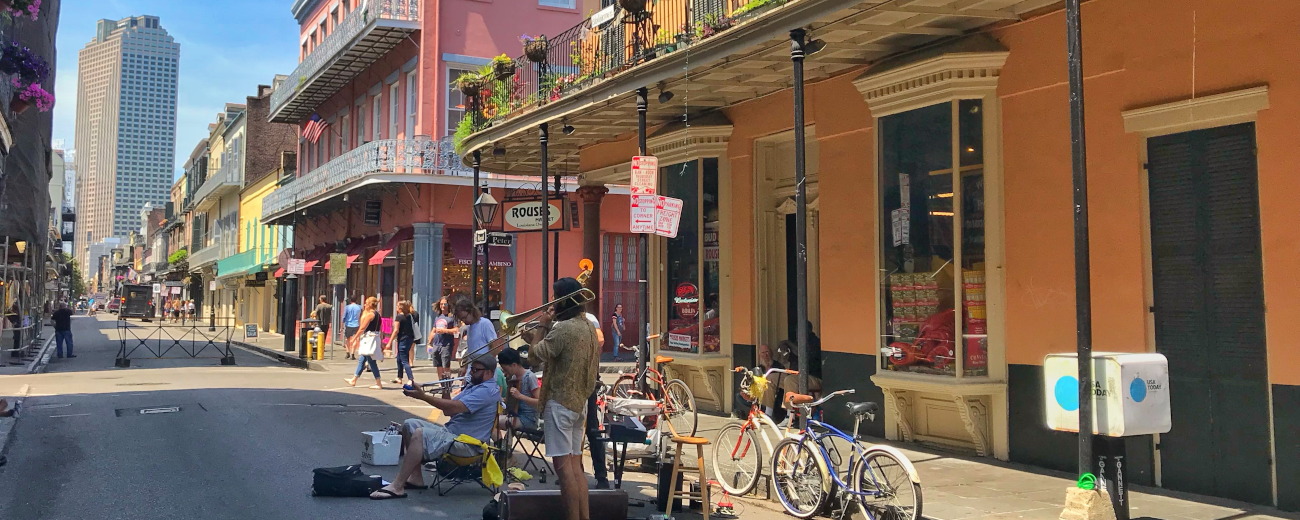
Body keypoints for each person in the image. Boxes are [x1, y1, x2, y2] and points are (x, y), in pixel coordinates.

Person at [369, 356, 502, 500]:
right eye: (472, 369)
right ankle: (415, 478)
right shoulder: (475, 386)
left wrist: (423, 397)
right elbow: (449, 412)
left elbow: (456, 407)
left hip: (469, 444)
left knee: (420, 434)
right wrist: (446, 390)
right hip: (453, 434)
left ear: (489, 373)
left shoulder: (487, 391)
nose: (471, 373)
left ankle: (397, 486)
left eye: (476, 370)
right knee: (410, 425)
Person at [524, 277, 600, 520]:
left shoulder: (562, 329)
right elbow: (555, 352)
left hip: (559, 403)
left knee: (563, 469)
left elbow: (534, 358)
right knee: (576, 467)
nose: (552, 303)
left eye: (555, 298)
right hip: (580, 403)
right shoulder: (587, 325)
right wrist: (539, 335)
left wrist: (541, 327)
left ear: (563, 301)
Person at [453, 296, 499, 378]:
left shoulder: (485, 323)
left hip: (484, 371)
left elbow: (494, 347)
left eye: (464, 317)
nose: (464, 320)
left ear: (471, 311)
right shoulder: (469, 328)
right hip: (473, 370)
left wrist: (488, 368)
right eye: (461, 319)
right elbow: (472, 350)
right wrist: (464, 366)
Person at [497, 347, 540, 434]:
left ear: (514, 365)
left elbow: (540, 402)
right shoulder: (514, 377)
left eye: (506, 370)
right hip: (514, 415)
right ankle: (504, 444)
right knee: (491, 417)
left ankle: (500, 443)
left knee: (495, 421)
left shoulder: (529, 377)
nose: (505, 373)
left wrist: (520, 396)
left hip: (528, 419)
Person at [345, 297, 384, 389]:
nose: (364, 305)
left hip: (369, 339)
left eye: (366, 303)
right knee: (362, 360)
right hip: (374, 337)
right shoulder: (377, 314)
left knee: (371, 361)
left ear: (370, 304)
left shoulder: (370, 315)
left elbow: (362, 328)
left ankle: (378, 383)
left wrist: (355, 338)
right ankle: (354, 379)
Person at [427, 297, 457, 397]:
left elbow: (456, 329)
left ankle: (447, 385)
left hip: (446, 344)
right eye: (441, 304)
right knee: (438, 365)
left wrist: (445, 331)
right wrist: (429, 341)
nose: (443, 306)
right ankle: (441, 385)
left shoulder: (452, 317)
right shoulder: (438, 317)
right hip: (436, 344)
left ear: (449, 305)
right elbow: (434, 330)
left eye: (445, 304)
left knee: (446, 366)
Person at [385, 300, 417, 388]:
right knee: (399, 358)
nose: (396, 308)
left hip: (403, 340)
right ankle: (399, 377)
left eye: (397, 306)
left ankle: (411, 379)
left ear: (400, 308)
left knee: (404, 360)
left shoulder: (399, 317)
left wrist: (389, 342)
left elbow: (396, 330)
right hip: (409, 339)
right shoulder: (409, 316)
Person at [342, 295, 362, 359]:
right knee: (355, 339)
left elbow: (344, 317)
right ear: (356, 300)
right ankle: (352, 353)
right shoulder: (359, 307)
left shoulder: (347, 307)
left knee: (347, 339)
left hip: (348, 324)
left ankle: (348, 352)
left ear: (350, 300)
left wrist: (342, 325)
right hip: (356, 324)